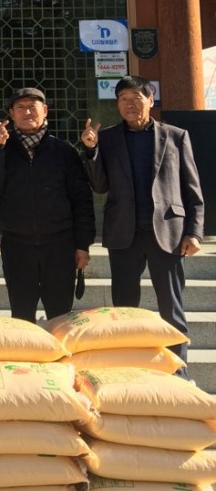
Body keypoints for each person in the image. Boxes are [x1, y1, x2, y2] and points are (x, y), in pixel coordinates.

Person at [81, 75, 203, 370]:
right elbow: (99, 186)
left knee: (172, 309)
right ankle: (128, 368)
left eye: (136, 97)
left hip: (168, 232)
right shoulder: (107, 138)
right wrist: (91, 151)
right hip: (124, 233)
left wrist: (194, 232)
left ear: (151, 99)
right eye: (123, 99)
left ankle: (178, 371)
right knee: (124, 309)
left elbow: (192, 188)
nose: (130, 104)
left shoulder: (176, 136)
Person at [0, 87, 94, 323]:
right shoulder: (3, 149)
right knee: (21, 316)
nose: (27, 112)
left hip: (60, 245)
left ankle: (59, 360)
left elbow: (82, 199)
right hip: (16, 246)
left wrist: (83, 244)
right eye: (20, 107)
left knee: (61, 316)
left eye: (33, 106)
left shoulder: (64, 151)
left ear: (45, 111)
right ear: (11, 114)